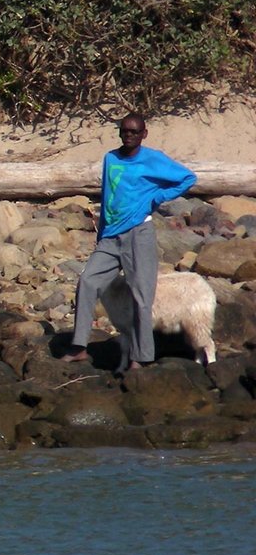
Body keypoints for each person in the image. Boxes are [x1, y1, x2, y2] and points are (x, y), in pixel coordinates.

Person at [60, 113, 196, 369]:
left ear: (144, 134)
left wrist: (156, 198)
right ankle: (79, 346)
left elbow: (187, 178)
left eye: (134, 132)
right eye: (125, 131)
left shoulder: (153, 159)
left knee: (141, 297)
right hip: (111, 237)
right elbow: (107, 195)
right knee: (87, 282)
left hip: (138, 235)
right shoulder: (111, 158)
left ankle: (140, 357)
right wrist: (101, 233)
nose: (129, 135)